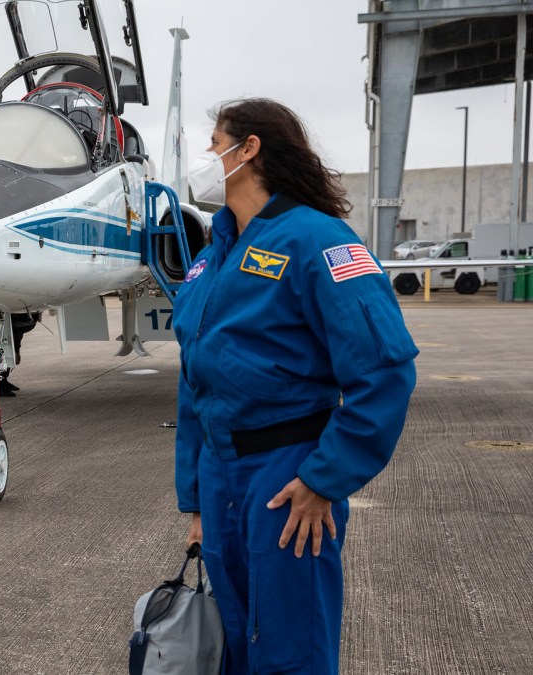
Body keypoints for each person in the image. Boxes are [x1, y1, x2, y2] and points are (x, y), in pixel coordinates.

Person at [171, 99, 417, 674]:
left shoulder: (318, 240)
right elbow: (194, 386)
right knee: (229, 639)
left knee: (289, 644)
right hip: (220, 473)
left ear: (248, 148)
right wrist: (196, 501)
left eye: (214, 143)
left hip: (287, 475)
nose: (206, 157)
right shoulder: (211, 258)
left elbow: (384, 371)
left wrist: (324, 480)